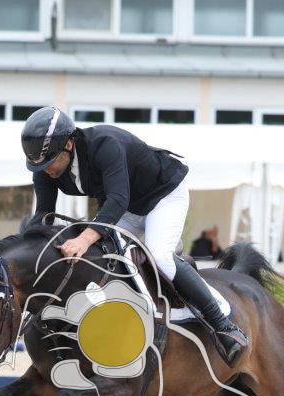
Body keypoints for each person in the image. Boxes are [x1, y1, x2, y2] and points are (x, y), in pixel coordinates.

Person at [22, 106, 246, 364]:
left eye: (50, 162)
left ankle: (223, 324)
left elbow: (117, 199)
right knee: (101, 256)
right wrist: (27, 251)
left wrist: (83, 239)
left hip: (163, 196)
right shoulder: (44, 167)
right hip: (127, 208)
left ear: (69, 144)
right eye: (40, 166)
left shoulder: (105, 144)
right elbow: (44, 215)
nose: (46, 170)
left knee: (159, 256)